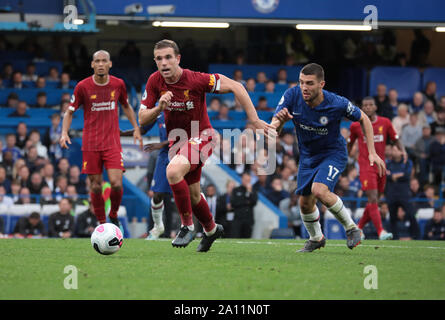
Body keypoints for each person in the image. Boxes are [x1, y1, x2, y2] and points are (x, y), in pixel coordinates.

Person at [138, 39, 273, 252]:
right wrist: (159, 108)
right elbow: (143, 118)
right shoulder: (154, 81)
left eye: (168, 57)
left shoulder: (196, 79)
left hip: (203, 136)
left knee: (172, 171)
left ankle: (187, 226)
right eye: (159, 59)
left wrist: (254, 120)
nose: (164, 63)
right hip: (178, 142)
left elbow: (236, 86)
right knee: (193, 195)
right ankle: (211, 229)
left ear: (178, 59)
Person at [271, 63, 386, 252]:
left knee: (319, 190)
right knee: (305, 203)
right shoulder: (292, 95)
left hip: (333, 153)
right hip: (308, 156)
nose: (304, 88)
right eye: (301, 82)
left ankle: (352, 228)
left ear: (321, 84)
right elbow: (274, 126)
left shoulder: (337, 103)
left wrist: (372, 151)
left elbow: (364, 118)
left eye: (309, 83)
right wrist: (279, 123)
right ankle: (316, 238)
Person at [59, 50, 142, 232]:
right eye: (97, 61)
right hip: (91, 143)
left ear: (110, 64)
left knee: (116, 183)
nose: (101, 64)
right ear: (92, 64)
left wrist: (136, 127)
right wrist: (64, 132)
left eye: (104, 61)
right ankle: (102, 222)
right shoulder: (83, 86)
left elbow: (126, 106)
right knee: (96, 186)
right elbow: (70, 111)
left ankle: (113, 215)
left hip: (112, 142)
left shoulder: (118, 84)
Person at [348, 96, 406, 241]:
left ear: (375, 107)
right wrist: (346, 156)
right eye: (365, 105)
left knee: (374, 201)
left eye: (370, 105)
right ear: (362, 108)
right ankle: (381, 231)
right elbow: (350, 143)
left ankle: (358, 228)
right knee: (373, 198)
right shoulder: (356, 125)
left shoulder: (385, 122)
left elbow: (396, 139)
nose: (368, 107)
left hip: (381, 167)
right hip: (366, 166)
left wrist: (403, 151)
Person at [120, 112, 171, 240]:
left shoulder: (181, 106)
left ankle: (197, 226)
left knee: (191, 193)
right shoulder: (158, 111)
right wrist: (122, 133)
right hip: (164, 155)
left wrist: (161, 144)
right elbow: (142, 129)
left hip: (182, 151)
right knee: (157, 194)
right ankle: (158, 227)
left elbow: (186, 134)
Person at [385, 145, 420, 240]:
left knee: (411, 214)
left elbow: (407, 175)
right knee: (392, 217)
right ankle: (394, 238)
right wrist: (398, 175)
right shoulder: (388, 163)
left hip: (404, 194)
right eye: (392, 150)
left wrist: (393, 176)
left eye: (395, 150)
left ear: (401, 152)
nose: (393, 152)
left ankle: (416, 237)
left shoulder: (407, 162)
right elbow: (385, 175)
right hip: (391, 194)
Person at [230, 172, 258, 238]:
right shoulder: (236, 190)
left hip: (248, 220)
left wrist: (249, 192)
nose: (247, 182)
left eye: (248, 180)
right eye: (245, 180)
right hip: (238, 220)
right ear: (242, 179)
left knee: (247, 238)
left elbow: (254, 202)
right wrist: (246, 201)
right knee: (235, 238)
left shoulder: (253, 191)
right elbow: (234, 203)